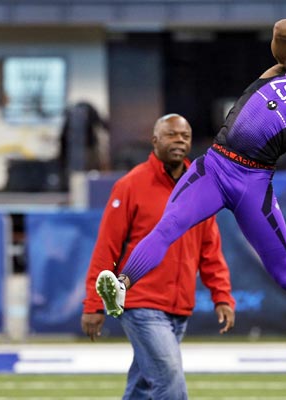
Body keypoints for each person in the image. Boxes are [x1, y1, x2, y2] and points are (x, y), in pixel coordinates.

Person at [96, 13, 286, 380]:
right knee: (169, 224)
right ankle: (122, 285)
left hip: (253, 183)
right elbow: (282, 30)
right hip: (215, 166)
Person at [82, 114, 235, 399]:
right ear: (155, 140)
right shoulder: (130, 185)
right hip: (139, 302)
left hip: (180, 307)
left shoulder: (202, 186)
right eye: (171, 135)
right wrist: (94, 303)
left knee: (141, 388)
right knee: (170, 384)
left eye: (185, 136)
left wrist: (222, 295)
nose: (179, 141)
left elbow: (210, 249)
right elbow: (107, 248)